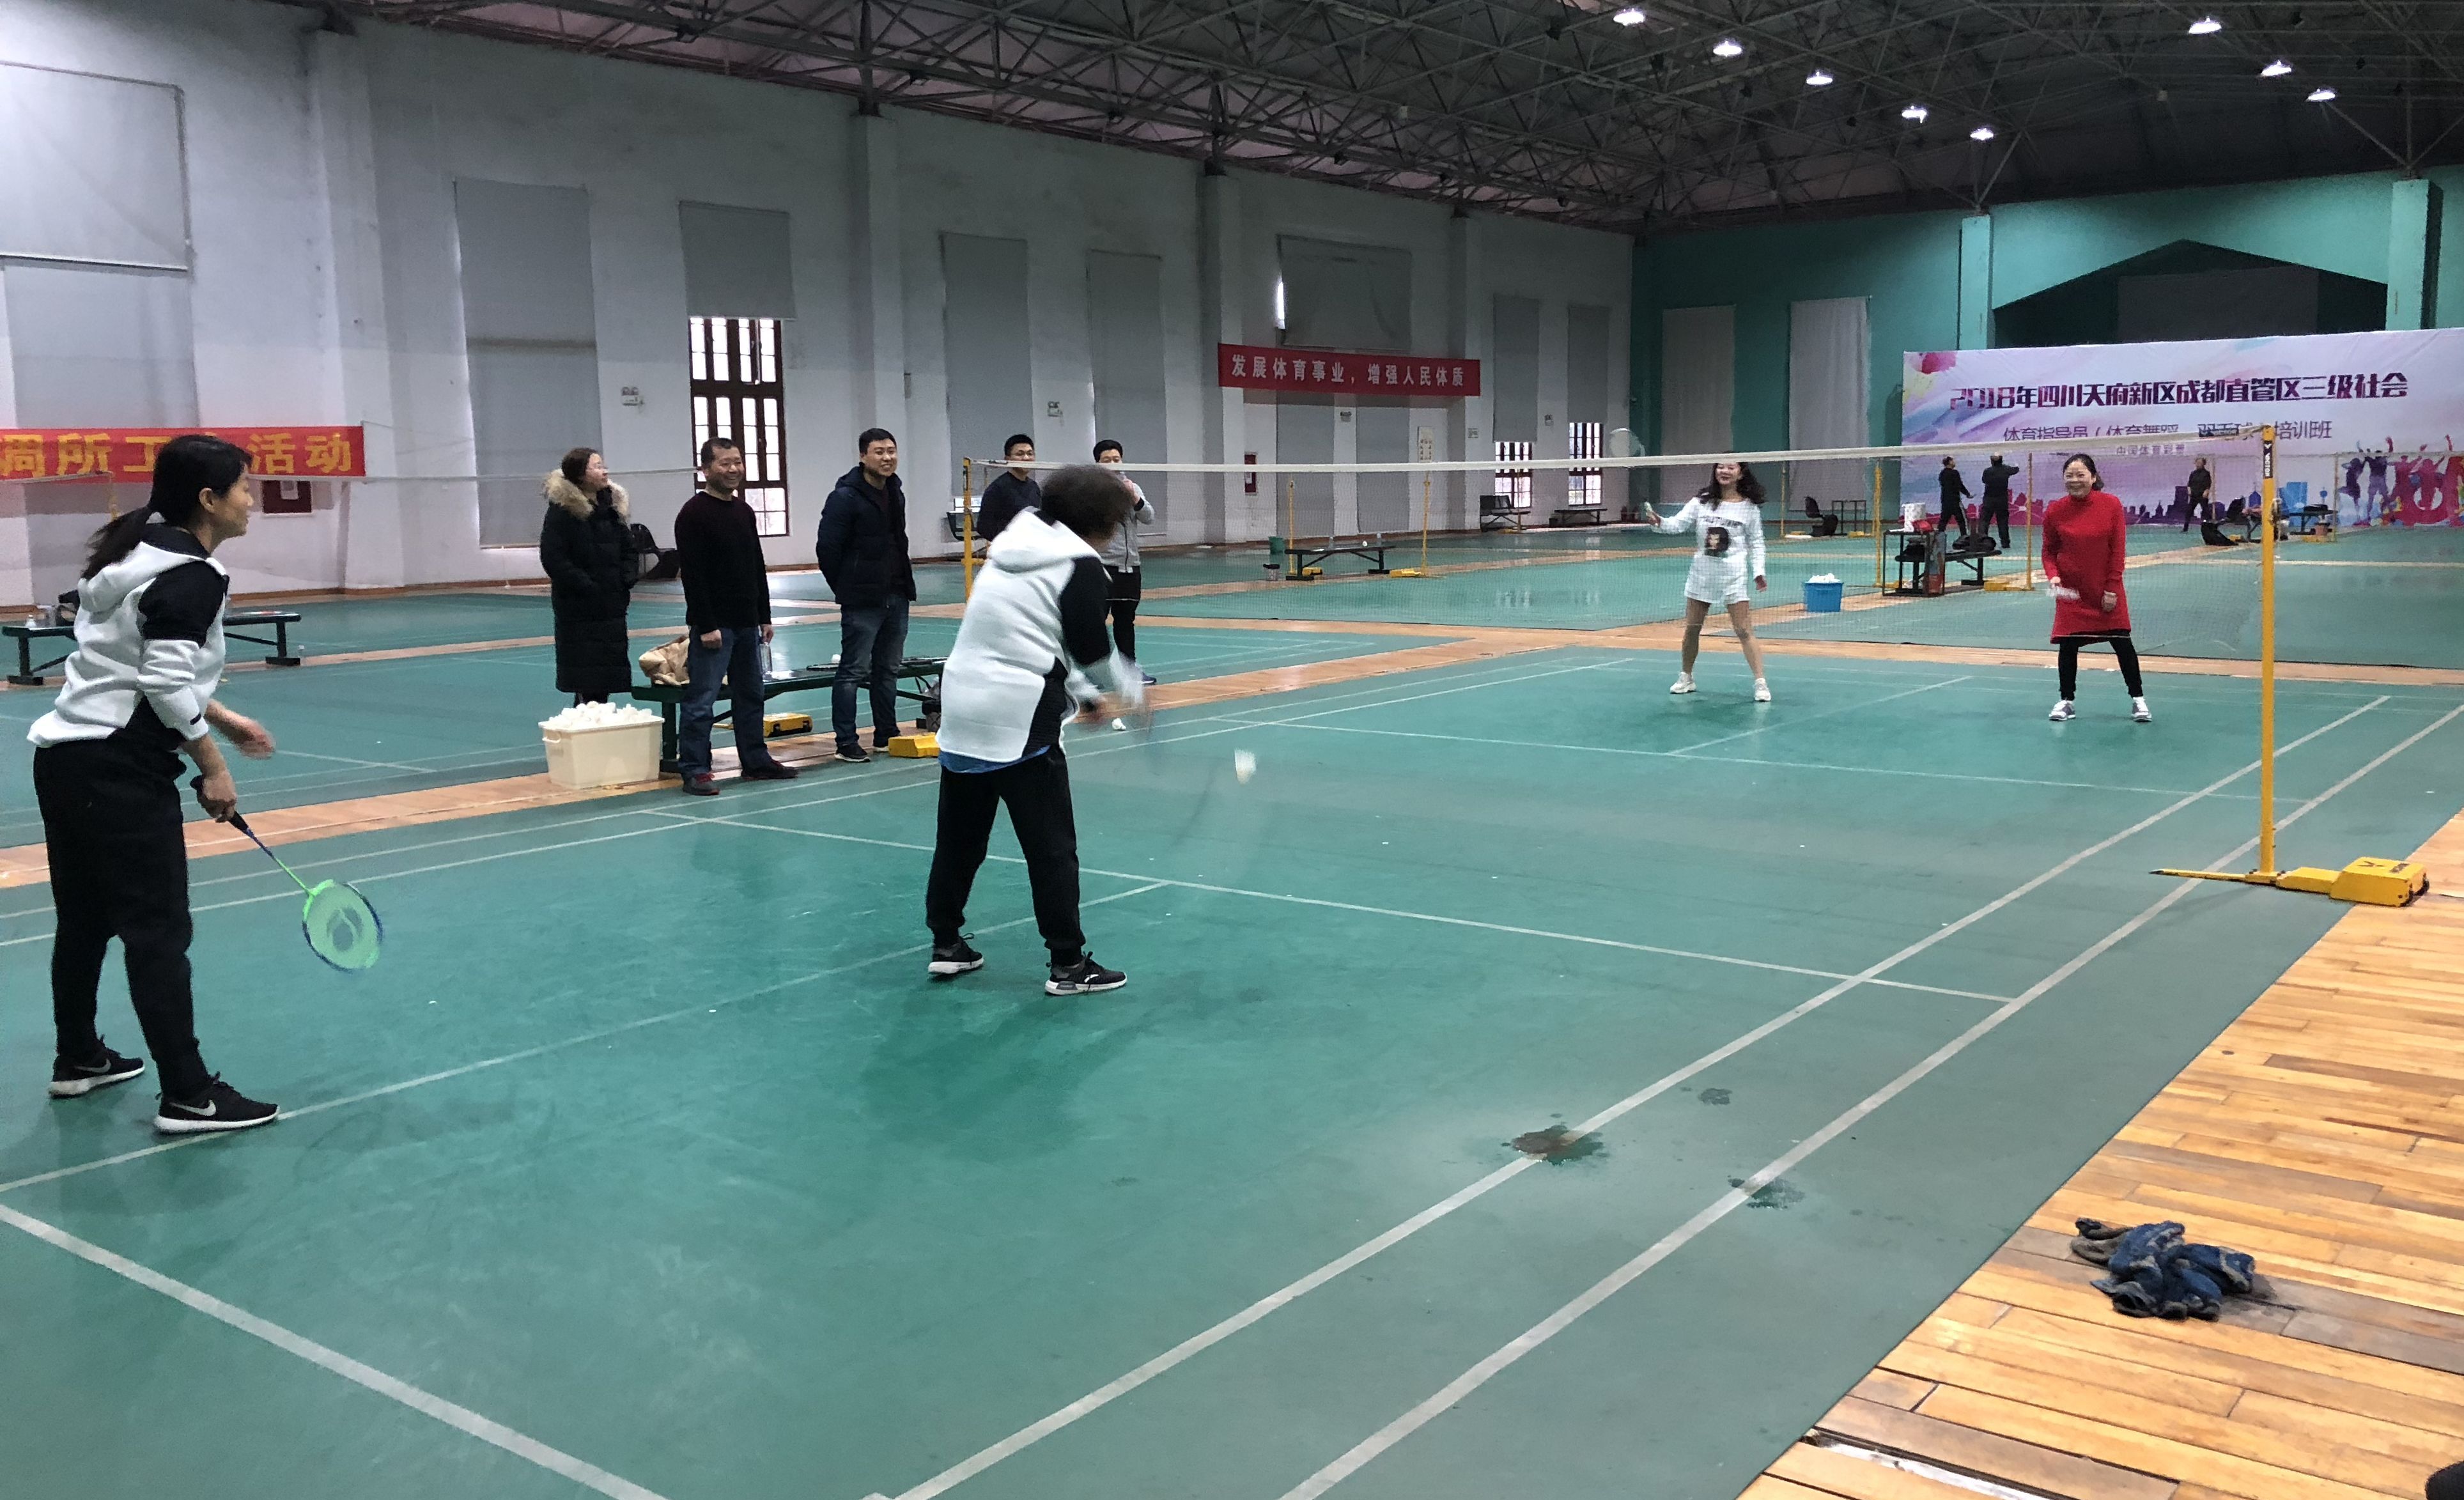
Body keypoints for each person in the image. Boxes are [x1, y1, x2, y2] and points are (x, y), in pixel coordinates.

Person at [32, 434, 281, 1133]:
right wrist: (214, 766)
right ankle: (189, 1095)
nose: (251, 501)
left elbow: (130, 662)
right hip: (119, 769)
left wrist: (222, 718)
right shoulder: (192, 575)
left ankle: (79, 1057)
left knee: (85, 920)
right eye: (244, 488)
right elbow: (164, 680)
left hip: (66, 760)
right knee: (158, 933)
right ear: (209, 499)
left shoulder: (134, 555)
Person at [924, 465, 1145, 997]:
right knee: (1050, 847)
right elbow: (1092, 650)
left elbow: (1033, 634)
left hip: (961, 704)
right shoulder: (1079, 565)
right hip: (1018, 716)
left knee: (959, 839)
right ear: (1102, 522)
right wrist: (1136, 694)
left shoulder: (1012, 546)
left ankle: (946, 944)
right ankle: (1067, 964)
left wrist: (1085, 695)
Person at [673, 437, 800, 794]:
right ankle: (695, 769)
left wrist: (764, 615)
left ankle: (756, 761)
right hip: (715, 627)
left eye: (738, 462)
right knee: (702, 701)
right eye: (725, 463)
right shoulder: (693, 514)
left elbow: (756, 566)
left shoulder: (744, 511)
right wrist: (707, 625)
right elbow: (693, 575)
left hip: (747, 624)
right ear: (706, 470)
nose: (734, 469)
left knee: (751, 695)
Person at [814, 428, 917, 761]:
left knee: (888, 670)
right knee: (852, 672)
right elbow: (827, 549)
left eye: (891, 451)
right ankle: (846, 741)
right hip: (862, 600)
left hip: (897, 594)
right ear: (863, 456)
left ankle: (886, 734)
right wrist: (848, 587)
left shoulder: (896, 492)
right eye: (879, 452)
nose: (887, 458)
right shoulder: (844, 498)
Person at [1641, 460, 1771, 702]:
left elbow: (1757, 543)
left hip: (1733, 575)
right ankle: (1686, 677)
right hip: (1702, 573)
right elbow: (1677, 524)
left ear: (1741, 473)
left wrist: (1759, 572)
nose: (1724, 471)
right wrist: (1660, 522)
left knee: (1744, 630)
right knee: (1692, 628)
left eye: (1731, 468)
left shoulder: (1749, 508)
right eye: (1721, 467)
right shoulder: (1701, 502)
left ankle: (1760, 683)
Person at [2042, 453, 2150, 725]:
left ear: (2093, 477)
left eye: (2081, 475)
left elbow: (2118, 550)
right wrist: (2053, 576)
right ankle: (2066, 701)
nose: (2075, 480)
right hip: (2072, 592)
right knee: (2068, 645)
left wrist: (2111, 588)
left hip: (2105, 590)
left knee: (2122, 642)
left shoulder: (2111, 505)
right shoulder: (2055, 510)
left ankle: (2138, 700)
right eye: (2070, 475)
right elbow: (2049, 551)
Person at [539, 447, 638, 705]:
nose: (605, 471)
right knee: (586, 681)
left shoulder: (611, 508)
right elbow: (554, 558)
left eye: (603, 465)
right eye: (597, 467)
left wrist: (626, 579)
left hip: (612, 607)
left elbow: (629, 548)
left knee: (604, 681)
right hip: (579, 610)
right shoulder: (563, 512)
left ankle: (598, 725)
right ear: (580, 474)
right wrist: (588, 587)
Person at [1092, 438, 1158, 683]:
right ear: (1098, 464)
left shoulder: (1133, 487)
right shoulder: (1091, 491)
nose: (1113, 464)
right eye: (1106, 460)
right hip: (1102, 567)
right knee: (1095, 622)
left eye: (1116, 459)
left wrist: (1134, 498)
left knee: (1125, 622)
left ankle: (1130, 670)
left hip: (1130, 568)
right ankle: (1092, 672)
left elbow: (1149, 517)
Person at [976, 434, 1041, 543]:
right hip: (1009, 548)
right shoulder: (997, 488)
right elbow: (984, 527)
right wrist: (1010, 540)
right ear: (1007, 459)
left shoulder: (1034, 487)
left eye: (1030, 454)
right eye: (1020, 454)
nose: (1026, 458)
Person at [1978, 454, 2018, 549]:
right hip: (2002, 500)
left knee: (1984, 521)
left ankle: (1982, 541)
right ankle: (2005, 543)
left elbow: (1984, 480)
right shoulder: (2006, 469)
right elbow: (2016, 470)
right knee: (2003, 522)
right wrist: (2016, 463)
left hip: (1989, 499)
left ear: (1992, 461)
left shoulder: (1987, 471)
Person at [1936, 456, 1972, 538]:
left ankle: (1938, 539)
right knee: (1962, 521)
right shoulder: (1954, 473)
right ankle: (1964, 538)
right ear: (1950, 462)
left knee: (1943, 521)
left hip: (1945, 500)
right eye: (1953, 461)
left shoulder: (1942, 474)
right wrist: (1967, 494)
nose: (1955, 462)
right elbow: (1959, 485)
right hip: (1955, 501)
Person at [2180, 457, 2213, 532]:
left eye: (2200, 463)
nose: (2198, 464)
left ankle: (2209, 527)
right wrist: (2189, 490)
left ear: (2203, 464)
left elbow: (2208, 484)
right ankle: (2185, 528)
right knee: (2189, 511)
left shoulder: (2206, 474)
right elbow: (2189, 484)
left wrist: (2206, 491)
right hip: (2194, 495)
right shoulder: (2193, 473)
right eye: (2197, 463)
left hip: (2202, 495)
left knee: (2206, 511)